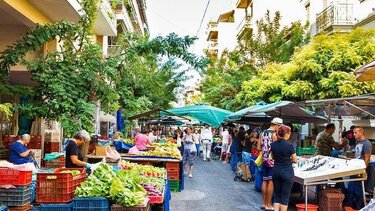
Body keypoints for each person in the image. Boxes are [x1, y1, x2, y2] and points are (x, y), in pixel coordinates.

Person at [271, 125, 298, 211]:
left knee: (277, 195)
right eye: (289, 132)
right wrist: (288, 160)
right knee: (285, 196)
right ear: (286, 134)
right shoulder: (289, 145)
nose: (290, 134)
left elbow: (272, 157)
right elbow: (295, 160)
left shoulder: (273, 144)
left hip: (276, 170)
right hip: (287, 171)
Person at [258, 117, 283, 211]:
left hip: (264, 160)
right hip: (272, 160)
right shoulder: (274, 135)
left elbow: (258, 147)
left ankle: (264, 203)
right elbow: (277, 148)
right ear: (277, 125)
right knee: (271, 182)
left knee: (264, 181)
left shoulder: (262, 133)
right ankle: (269, 204)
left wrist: (265, 151)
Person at [345, 127, 372, 210]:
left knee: (358, 190)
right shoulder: (358, 142)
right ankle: (349, 206)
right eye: (353, 133)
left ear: (361, 132)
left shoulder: (367, 143)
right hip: (354, 168)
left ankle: (358, 207)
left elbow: (367, 158)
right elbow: (357, 154)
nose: (354, 134)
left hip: (360, 169)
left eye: (355, 132)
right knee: (350, 188)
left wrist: (363, 170)